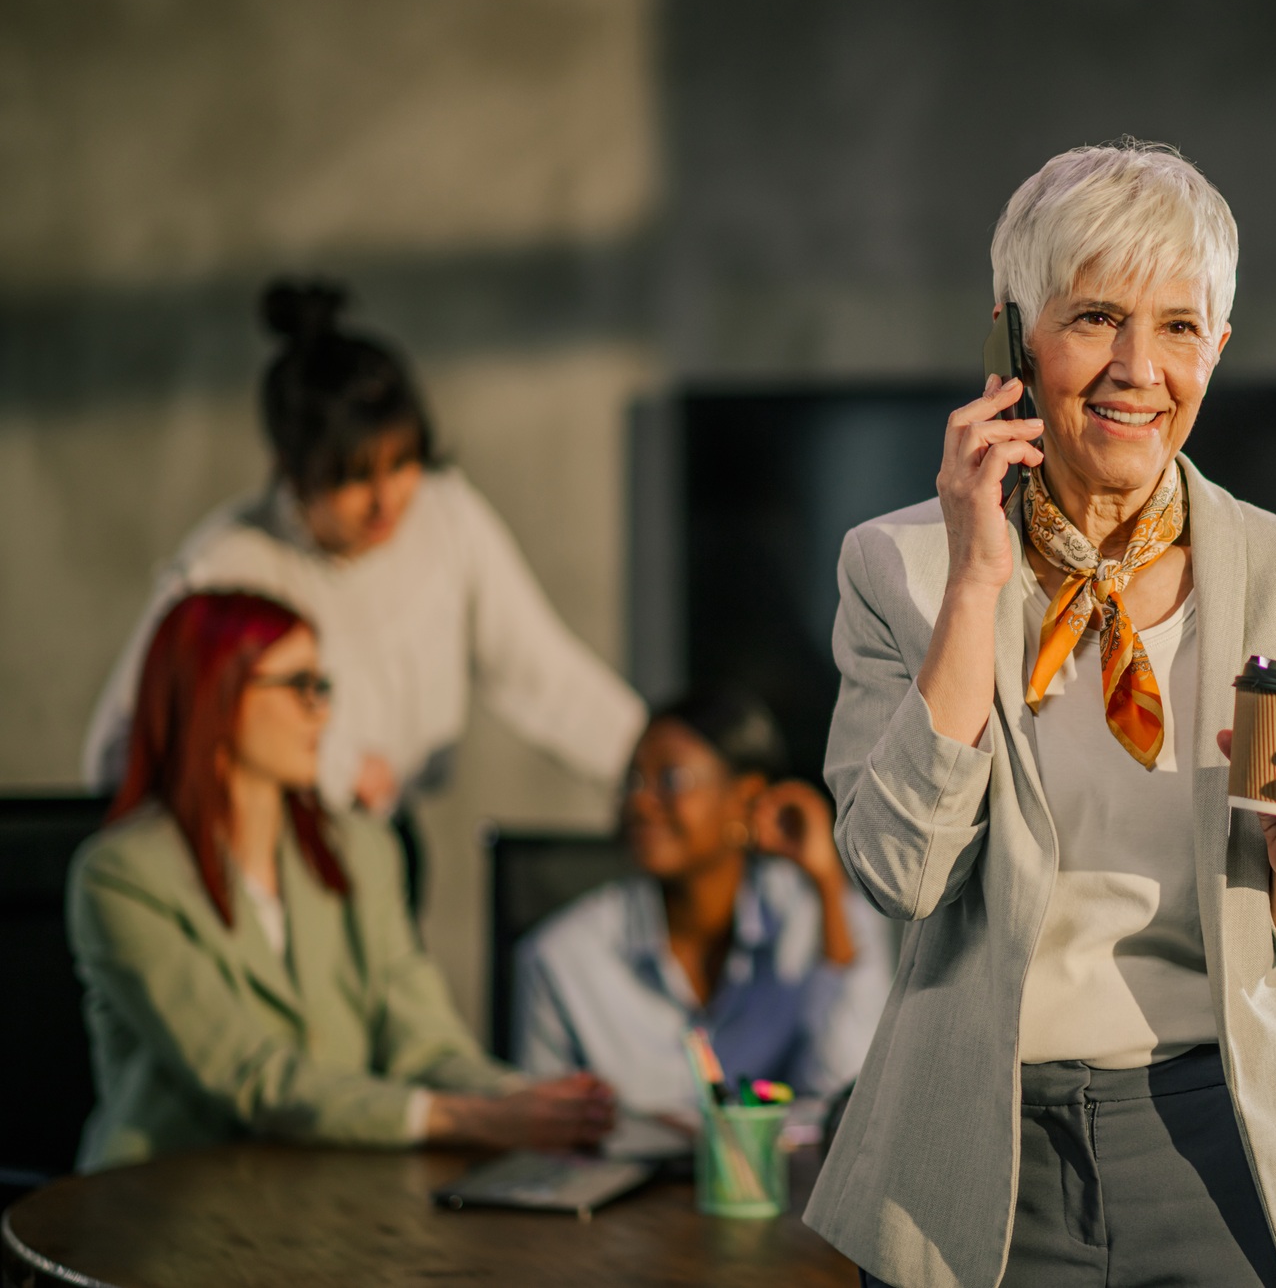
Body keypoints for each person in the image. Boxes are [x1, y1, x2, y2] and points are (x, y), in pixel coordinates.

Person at [805, 141, 1276, 1288]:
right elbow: (896, 873)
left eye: (1176, 326)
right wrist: (977, 580)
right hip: (972, 1142)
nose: (1136, 368)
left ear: (1216, 346)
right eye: (1095, 317)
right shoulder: (898, 567)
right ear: (1014, 336)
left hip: (1219, 1138)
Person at [81, 281, 645, 904]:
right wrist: (333, 773)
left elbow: (543, 674)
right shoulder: (228, 564)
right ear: (292, 471)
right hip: (257, 860)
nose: (386, 502)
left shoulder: (446, 517)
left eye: (403, 465)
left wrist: (660, 769)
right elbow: (125, 745)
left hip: (383, 844)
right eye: (352, 478)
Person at [67, 591, 617, 1172]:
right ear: (216, 694)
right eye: (300, 686)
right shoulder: (122, 877)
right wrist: (473, 1119)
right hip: (163, 1205)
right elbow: (252, 1077)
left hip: (332, 1195)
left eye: (323, 686)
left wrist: (531, 1101)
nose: (322, 712)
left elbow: (424, 1042)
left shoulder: (363, 851)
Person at [513, 688, 892, 1157]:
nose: (640, 803)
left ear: (745, 798)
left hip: (768, 1209)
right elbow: (542, 1145)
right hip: (620, 1220)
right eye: (632, 782)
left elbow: (845, 1091)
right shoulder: (561, 960)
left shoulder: (806, 920)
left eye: (669, 780)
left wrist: (828, 881)